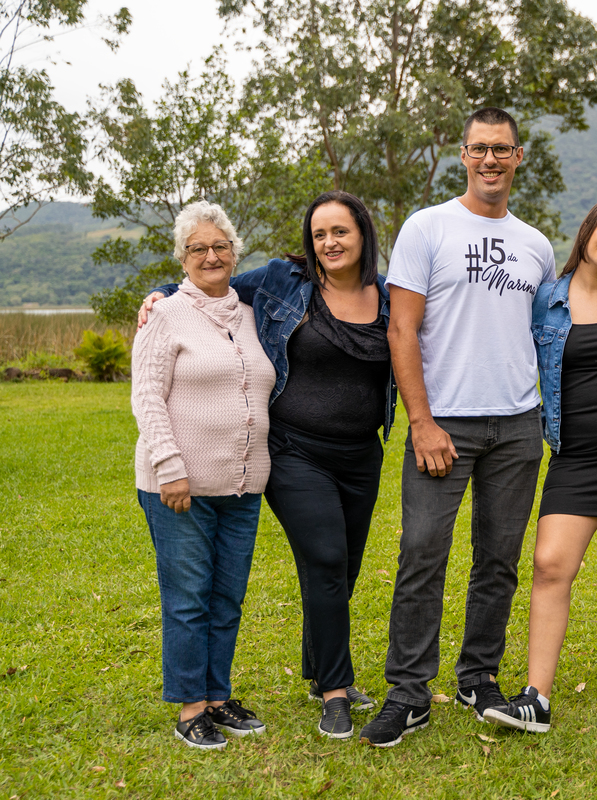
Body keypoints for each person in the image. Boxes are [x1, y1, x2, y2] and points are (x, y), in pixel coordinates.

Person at [139, 191, 396, 741]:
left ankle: (269, 681)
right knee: (315, 561)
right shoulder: (283, 282)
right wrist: (157, 294)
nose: (329, 242)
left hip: (336, 459)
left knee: (335, 568)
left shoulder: (388, 297)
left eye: (340, 232)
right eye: (320, 233)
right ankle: (328, 689)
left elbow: (220, 290)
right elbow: (187, 303)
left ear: (363, 236)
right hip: (291, 453)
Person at [359, 107, 557, 747]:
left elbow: (544, 334)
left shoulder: (537, 246)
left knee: (498, 561)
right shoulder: (428, 228)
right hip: (445, 424)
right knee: (422, 555)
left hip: (518, 425)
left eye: (503, 150)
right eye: (480, 149)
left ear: (518, 157)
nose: (491, 160)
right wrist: (421, 421)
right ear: (463, 155)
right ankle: (408, 694)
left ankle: (478, 678)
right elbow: (401, 328)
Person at [482, 198, 597, 734]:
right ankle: (536, 698)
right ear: (587, 232)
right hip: (576, 456)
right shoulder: (545, 300)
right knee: (549, 565)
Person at [132, 201, 274, 749]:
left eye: (220, 246)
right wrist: (170, 466)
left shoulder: (251, 312)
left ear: (234, 253)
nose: (211, 255)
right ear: (183, 258)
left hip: (243, 484)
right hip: (179, 486)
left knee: (227, 596)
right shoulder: (165, 313)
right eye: (198, 248)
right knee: (189, 597)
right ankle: (192, 708)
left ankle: (218, 697)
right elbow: (146, 395)